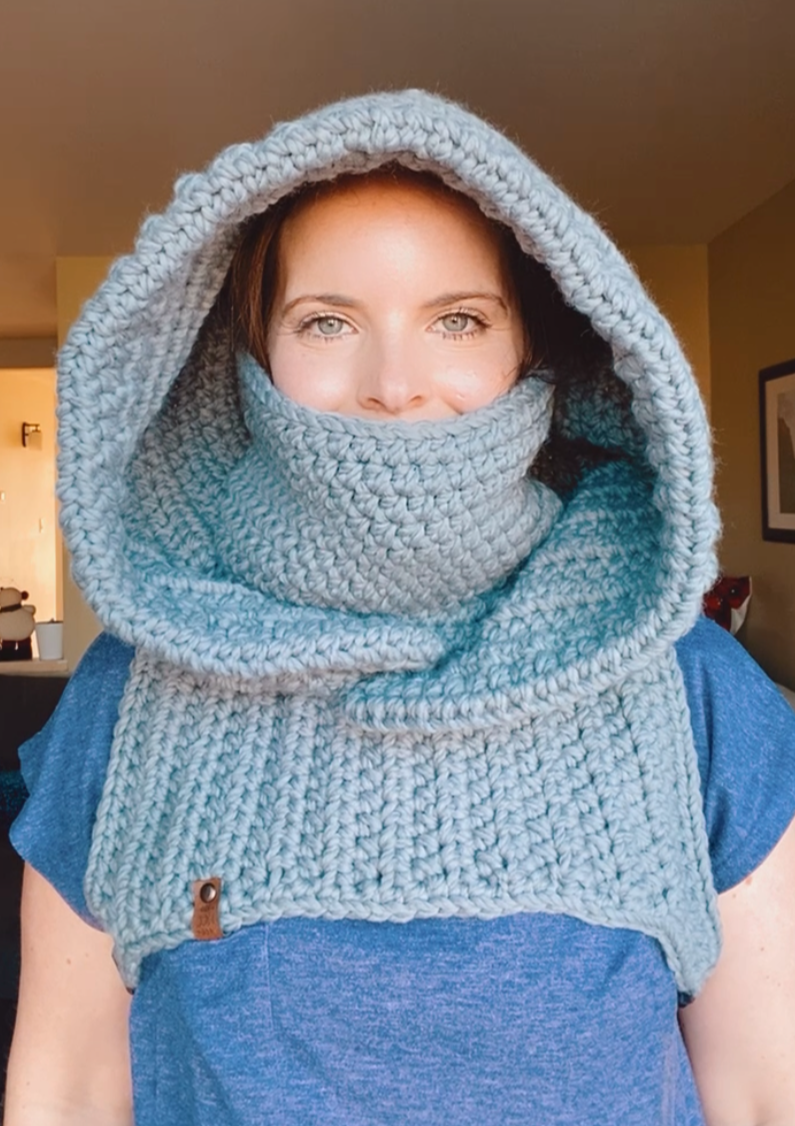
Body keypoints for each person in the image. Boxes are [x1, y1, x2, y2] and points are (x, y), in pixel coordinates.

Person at [5, 90, 795, 1126]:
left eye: (457, 319)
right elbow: (68, 1086)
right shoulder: (131, 693)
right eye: (326, 321)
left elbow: (764, 1092)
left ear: (531, 352)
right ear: (249, 362)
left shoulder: (685, 683)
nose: (393, 384)